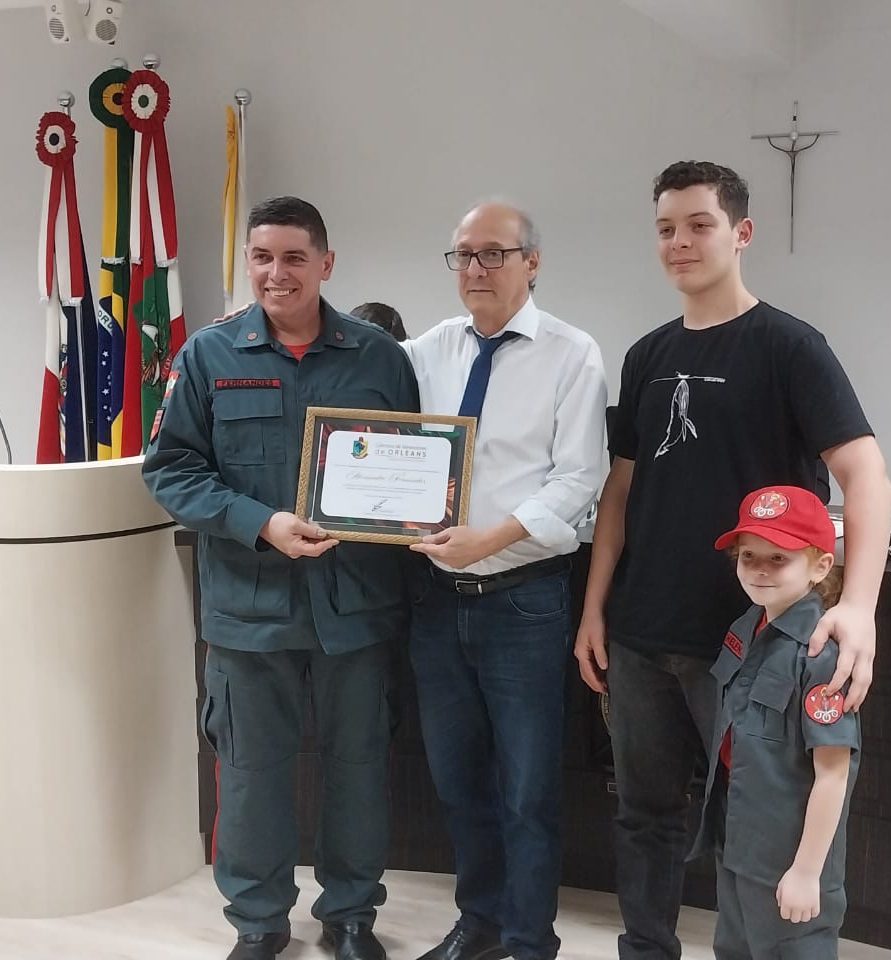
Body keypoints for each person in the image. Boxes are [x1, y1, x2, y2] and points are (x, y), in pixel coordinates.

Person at [572, 161, 891, 960]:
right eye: (665, 228)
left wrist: (858, 606)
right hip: (643, 633)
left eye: (698, 224)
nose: (679, 242)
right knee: (644, 815)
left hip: (753, 645)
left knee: (757, 827)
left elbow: (866, 476)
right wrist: (594, 607)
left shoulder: (790, 347)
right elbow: (619, 494)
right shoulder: (647, 354)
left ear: (741, 233)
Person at [142, 196, 418, 960]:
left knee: (358, 771)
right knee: (251, 774)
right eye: (262, 257)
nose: (276, 273)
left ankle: (351, 915)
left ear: (326, 263)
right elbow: (169, 470)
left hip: (357, 605)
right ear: (249, 263)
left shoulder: (381, 358)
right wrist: (260, 522)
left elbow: (421, 463)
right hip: (249, 608)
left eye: (294, 257)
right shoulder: (208, 355)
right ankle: (259, 922)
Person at [403, 202, 608, 960]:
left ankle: (528, 941)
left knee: (527, 790)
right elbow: (374, 425)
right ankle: (479, 922)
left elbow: (578, 479)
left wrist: (488, 540)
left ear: (532, 262)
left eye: (493, 253)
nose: (475, 268)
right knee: (458, 781)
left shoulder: (571, 354)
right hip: (436, 601)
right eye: (463, 254)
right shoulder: (428, 351)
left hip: (524, 599)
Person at [695, 485, 860, 960]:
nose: (760, 570)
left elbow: (834, 774)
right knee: (734, 948)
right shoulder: (745, 628)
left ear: (819, 566)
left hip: (788, 852)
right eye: (748, 556)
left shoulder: (820, 655)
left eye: (779, 558)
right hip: (737, 836)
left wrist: (807, 871)